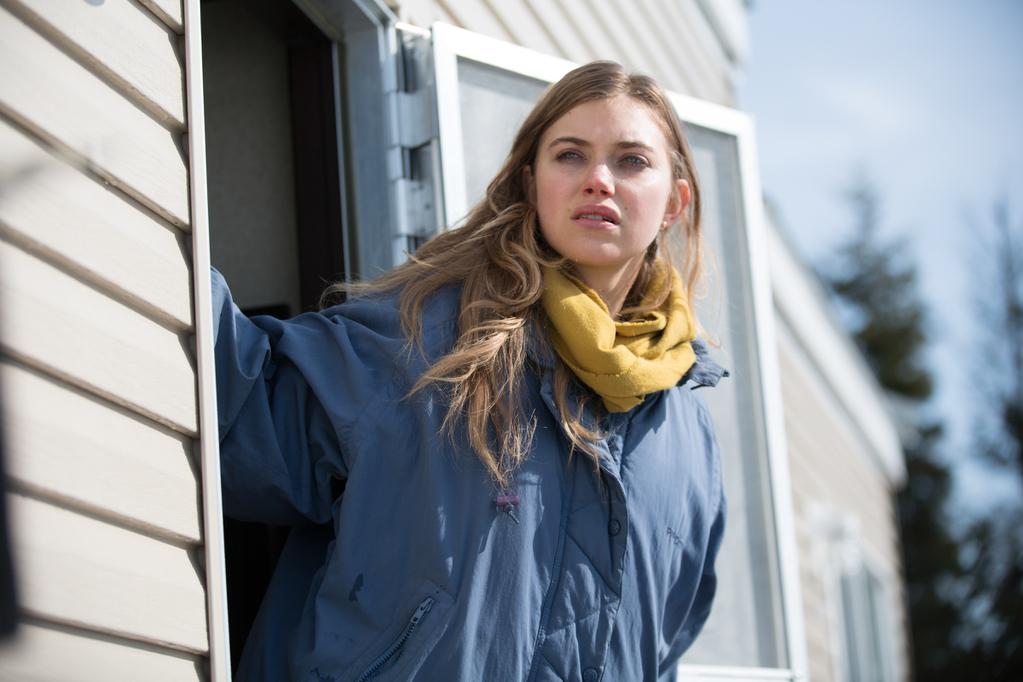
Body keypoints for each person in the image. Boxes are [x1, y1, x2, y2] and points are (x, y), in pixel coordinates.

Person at [213, 60, 727, 682]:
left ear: (674, 201)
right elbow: (240, 411)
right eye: (569, 155)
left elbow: (661, 653)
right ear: (531, 181)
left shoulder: (690, 439)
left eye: (631, 160)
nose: (598, 180)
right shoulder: (426, 342)